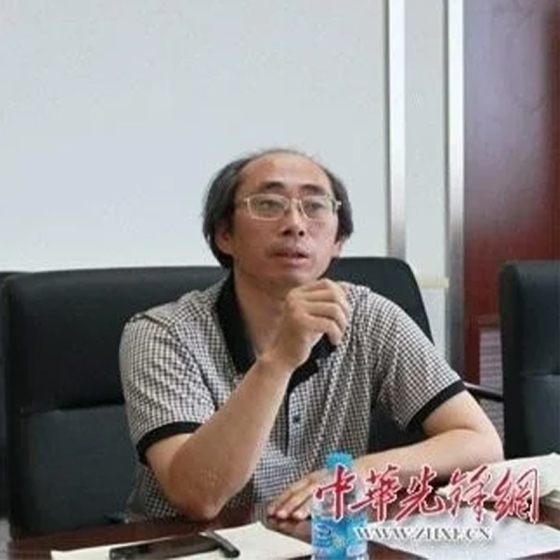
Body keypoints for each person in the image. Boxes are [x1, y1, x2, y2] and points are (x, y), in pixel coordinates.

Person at [119, 147, 503, 523]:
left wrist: (361, 473)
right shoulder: (162, 333)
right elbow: (198, 497)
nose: (295, 224)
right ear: (224, 234)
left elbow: (480, 442)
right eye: (268, 204)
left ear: (338, 241)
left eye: (315, 206)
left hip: (319, 538)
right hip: (195, 545)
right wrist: (279, 360)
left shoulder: (369, 317)